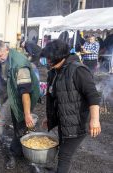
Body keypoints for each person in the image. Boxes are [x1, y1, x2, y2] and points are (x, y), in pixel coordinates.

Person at [41, 40, 101, 173]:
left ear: (59, 57)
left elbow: (93, 95)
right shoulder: (54, 72)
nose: (47, 60)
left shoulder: (78, 70)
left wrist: (95, 120)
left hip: (77, 123)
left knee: (64, 155)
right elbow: (55, 97)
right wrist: (49, 117)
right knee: (62, 147)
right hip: (65, 122)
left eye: (49, 58)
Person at [0, 40, 40, 169]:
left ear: (6, 49)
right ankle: (22, 146)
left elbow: (25, 92)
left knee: (22, 122)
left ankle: (17, 152)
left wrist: (27, 113)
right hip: (13, 90)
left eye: (0, 56)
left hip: (26, 93)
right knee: (18, 120)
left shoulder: (20, 64)